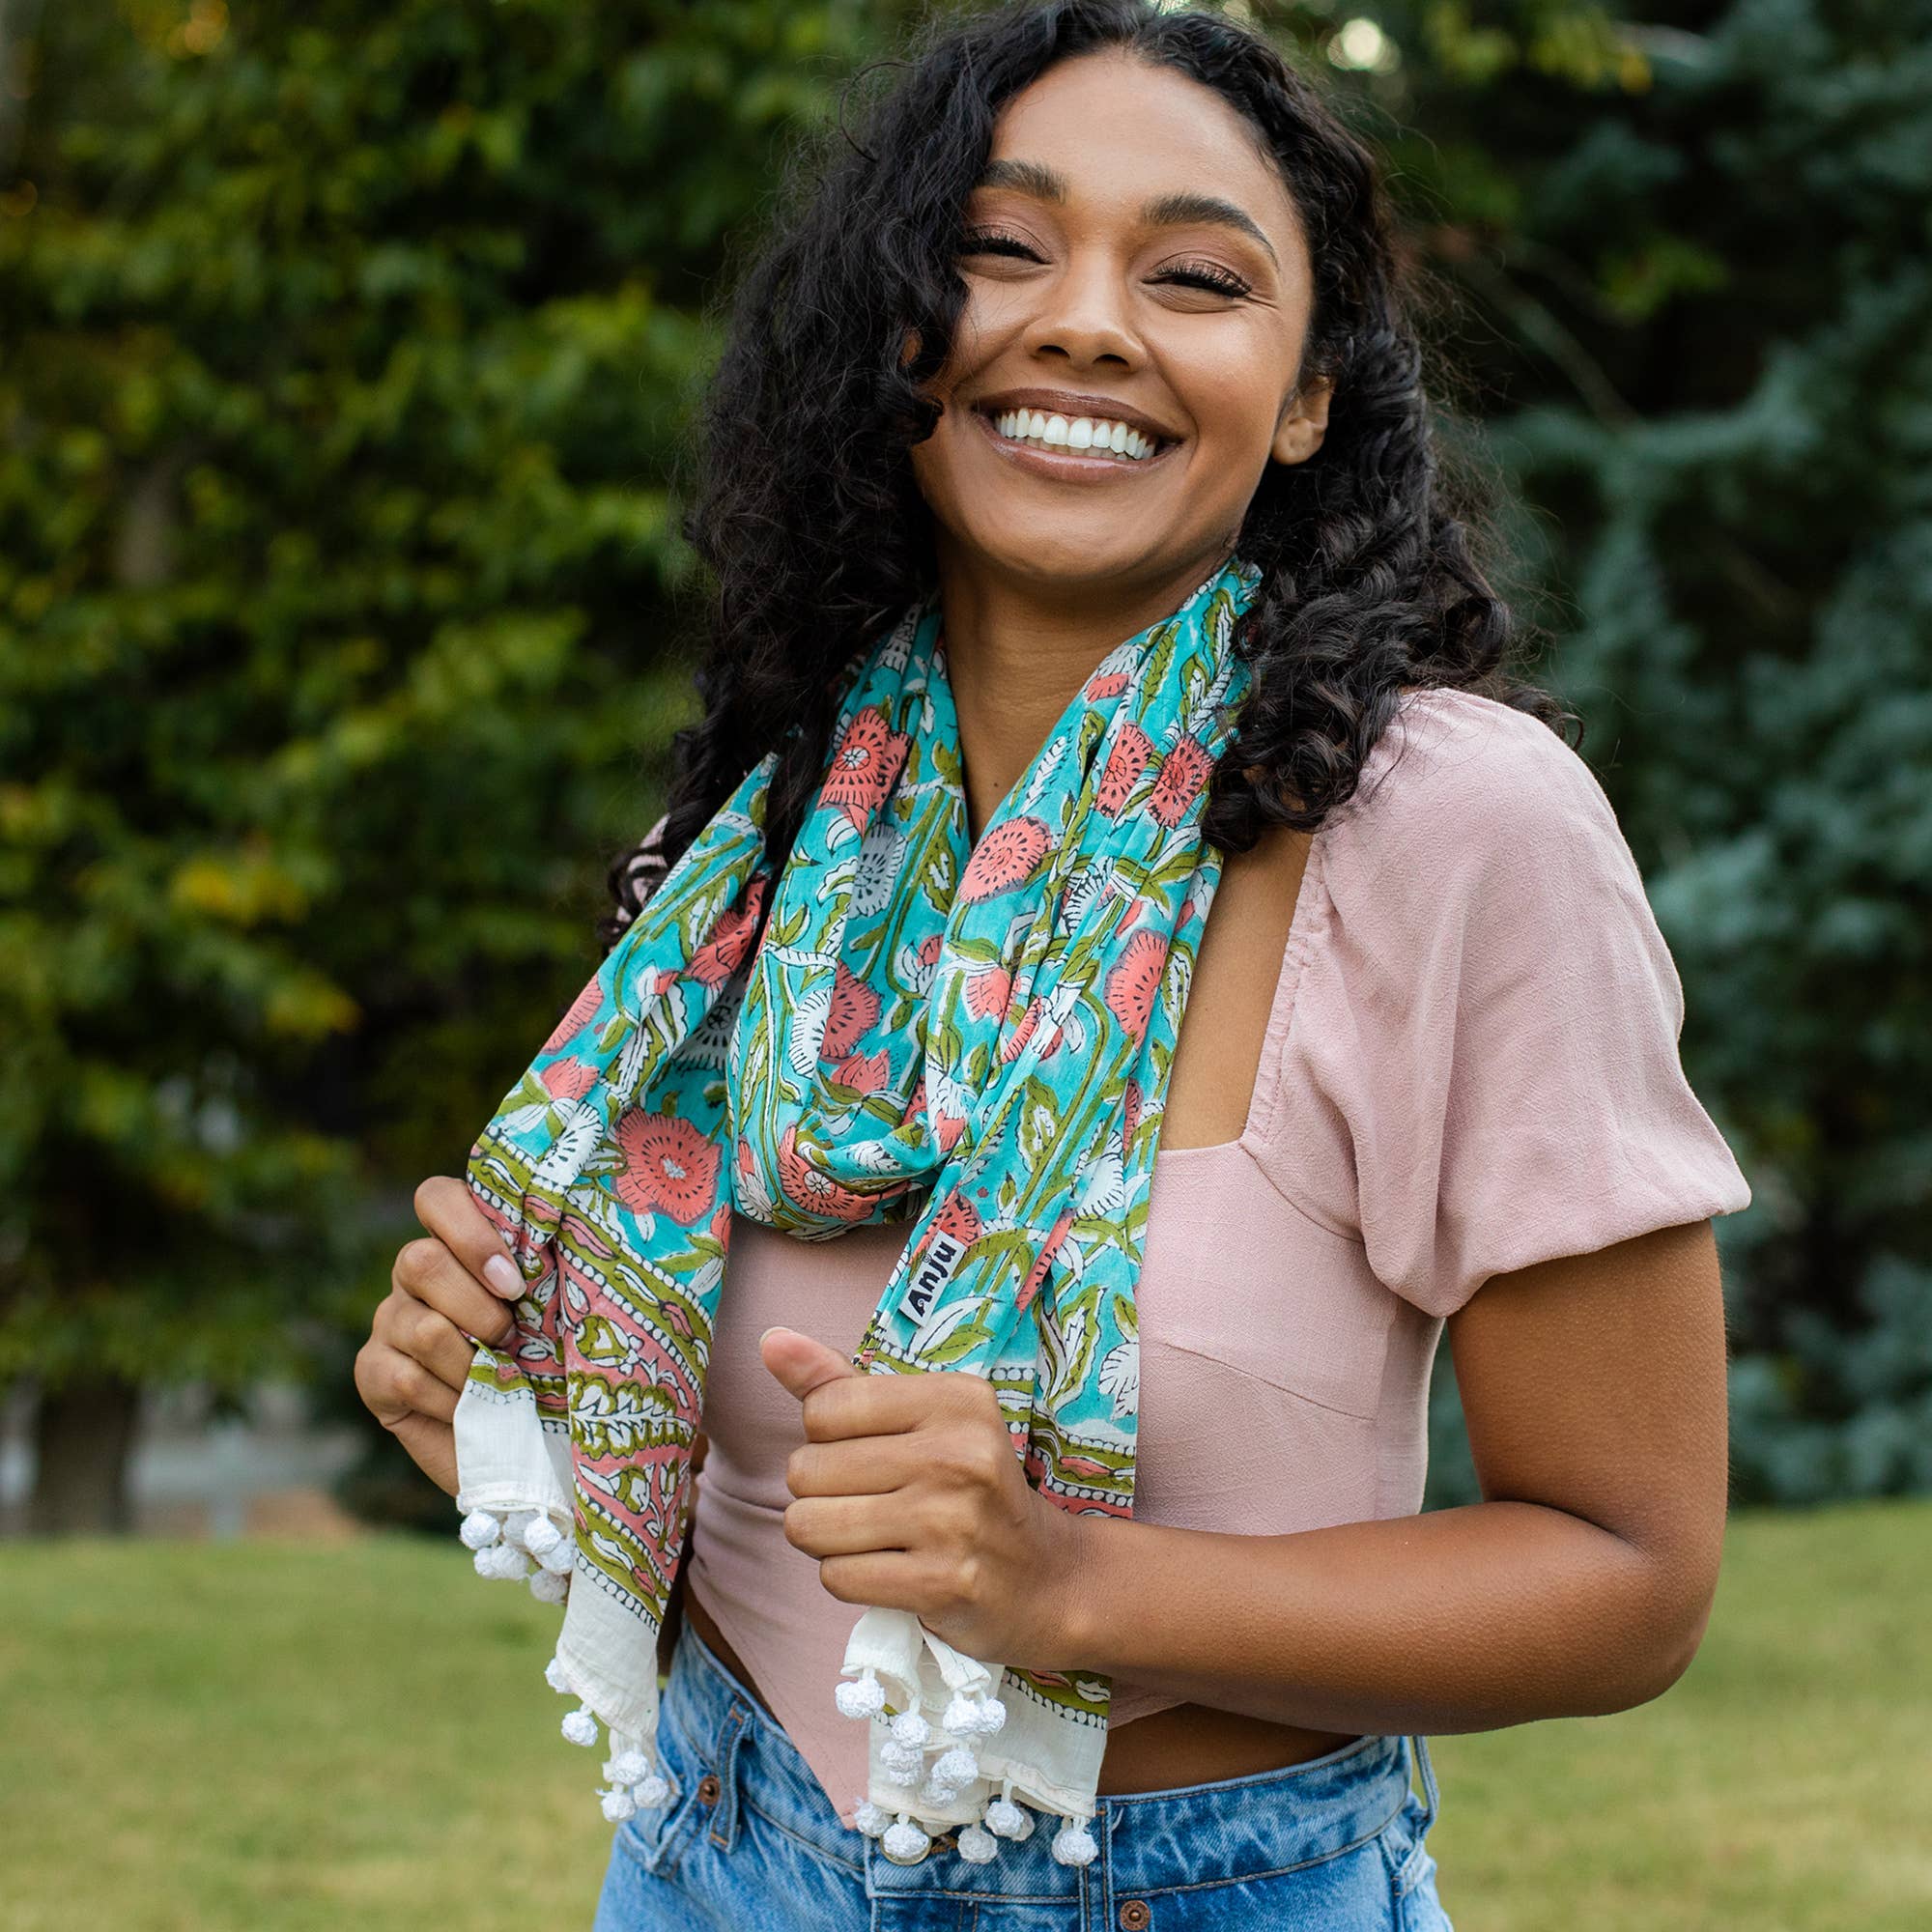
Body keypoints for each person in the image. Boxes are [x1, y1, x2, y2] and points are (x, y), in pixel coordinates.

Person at [354, 3, 1751, 1926]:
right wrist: (526, 1409)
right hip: (710, 1856)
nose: (1085, 322)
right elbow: (794, 1535)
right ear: (897, 335)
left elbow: (1631, 1574)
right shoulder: (784, 819)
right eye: (999, 249)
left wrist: (1077, 1587)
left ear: (1308, 393)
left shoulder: (1449, 829)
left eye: (1195, 276)